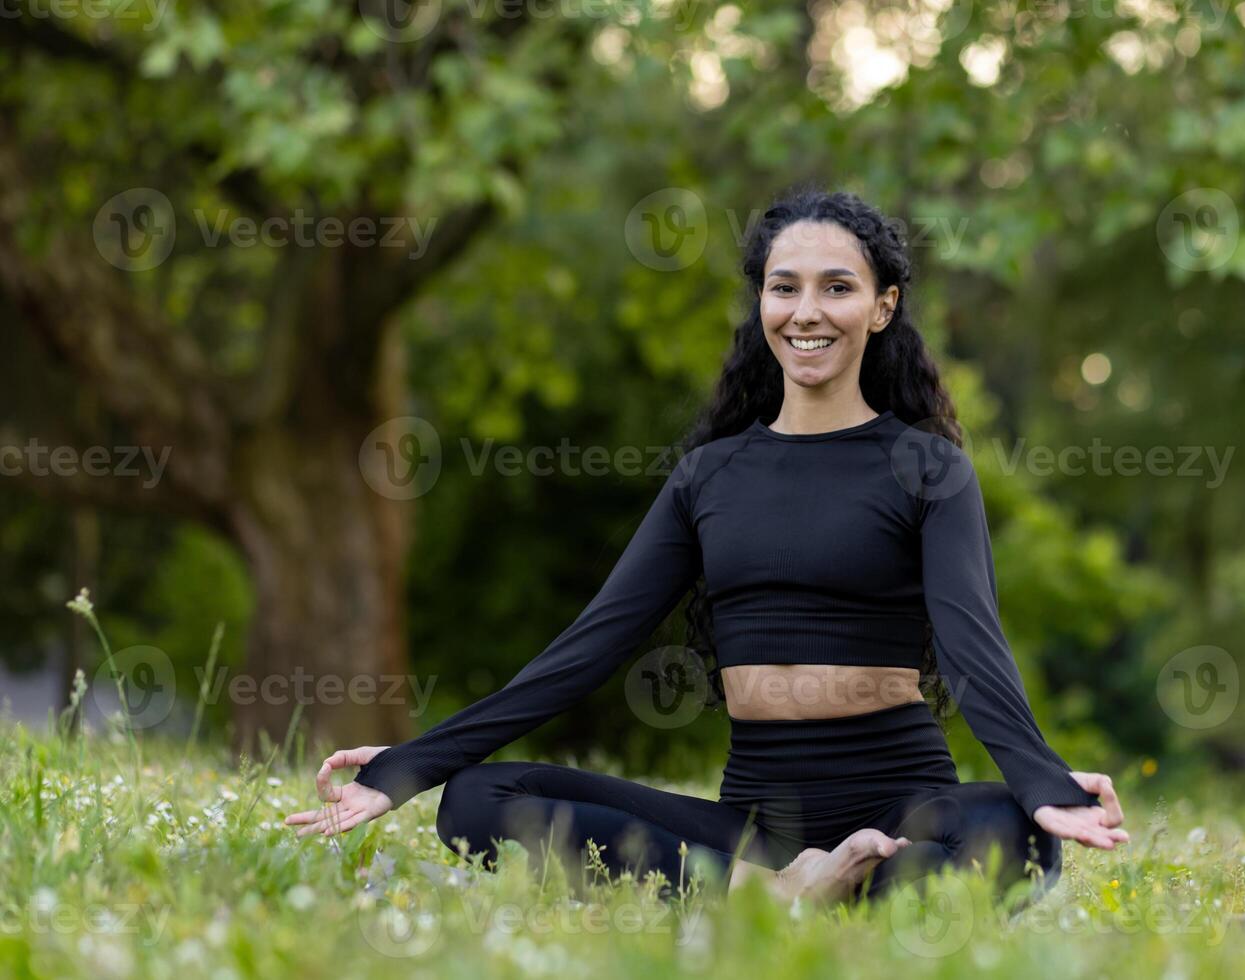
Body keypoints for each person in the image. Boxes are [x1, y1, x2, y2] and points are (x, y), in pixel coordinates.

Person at [284, 187, 1128, 906]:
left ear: (882, 306)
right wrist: (413, 765)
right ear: (761, 303)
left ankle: (819, 887)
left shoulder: (927, 468)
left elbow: (973, 648)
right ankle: (781, 889)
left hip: (905, 803)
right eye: (783, 287)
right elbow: (590, 647)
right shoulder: (709, 477)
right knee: (478, 798)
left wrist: (1044, 786)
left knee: (1016, 839)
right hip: (754, 825)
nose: (806, 312)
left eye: (837, 287)